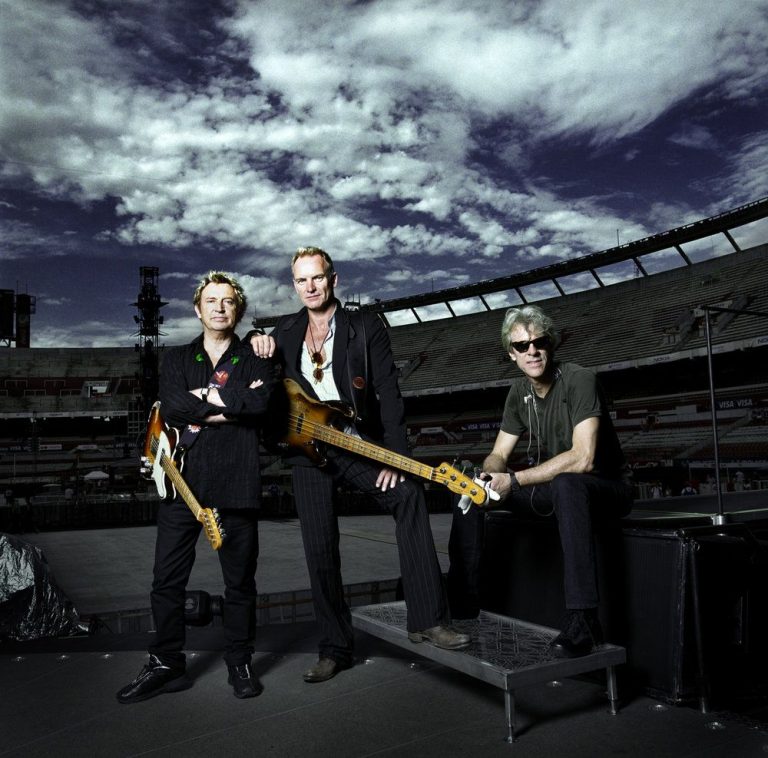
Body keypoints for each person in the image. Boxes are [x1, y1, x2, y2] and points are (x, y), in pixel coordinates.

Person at [250, 246, 469, 683]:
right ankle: (334, 647)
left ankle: (428, 619)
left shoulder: (364, 326)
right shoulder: (285, 332)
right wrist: (255, 346)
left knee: (407, 495)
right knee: (320, 548)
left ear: (334, 279)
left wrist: (397, 457)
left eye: (317, 278)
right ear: (293, 284)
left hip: (352, 440)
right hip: (305, 449)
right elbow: (262, 385)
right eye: (300, 280)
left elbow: (388, 391)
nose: (309, 287)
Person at [117, 271, 276, 704]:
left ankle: (239, 661)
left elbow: (263, 405)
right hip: (181, 486)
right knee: (165, 582)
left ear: (237, 309)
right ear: (197, 308)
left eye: (228, 301)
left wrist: (206, 402)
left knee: (240, 584)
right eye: (211, 300)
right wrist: (229, 404)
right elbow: (172, 404)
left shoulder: (258, 356)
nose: (220, 307)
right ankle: (167, 663)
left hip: (236, 483)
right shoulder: (177, 358)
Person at [448, 304, 633, 657]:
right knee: (468, 487)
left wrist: (514, 480)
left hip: (607, 488)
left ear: (551, 343)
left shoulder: (580, 379)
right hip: (559, 490)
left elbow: (584, 458)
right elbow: (499, 453)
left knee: (567, 483)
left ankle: (583, 620)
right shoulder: (518, 393)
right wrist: (487, 475)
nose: (531, 350)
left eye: (539, 342)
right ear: (511, 354)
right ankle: (463, 604)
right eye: (521, 346)